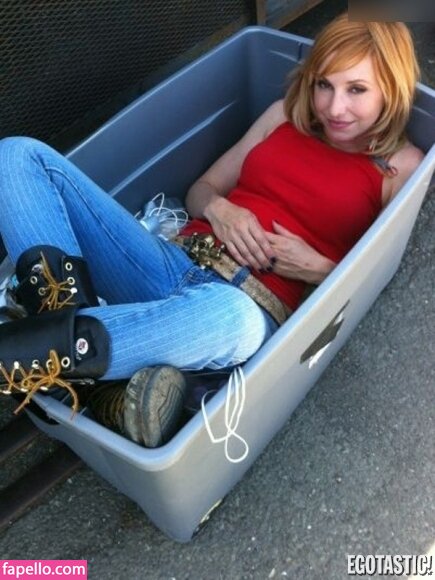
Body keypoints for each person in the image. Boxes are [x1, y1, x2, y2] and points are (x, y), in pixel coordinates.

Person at [0, 14, 424, 447]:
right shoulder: (283, 117)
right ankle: (93, 381)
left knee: (233, 319)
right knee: (16, 157)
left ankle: (37, 351)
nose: (334, 108)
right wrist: (222, 210)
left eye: (357, 90)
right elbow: (200, 191)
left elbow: (374, 274)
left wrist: (318, 268)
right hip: (172, 259)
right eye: (324, 85)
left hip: (245, 307)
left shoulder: (401, 166)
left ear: (390, 90)